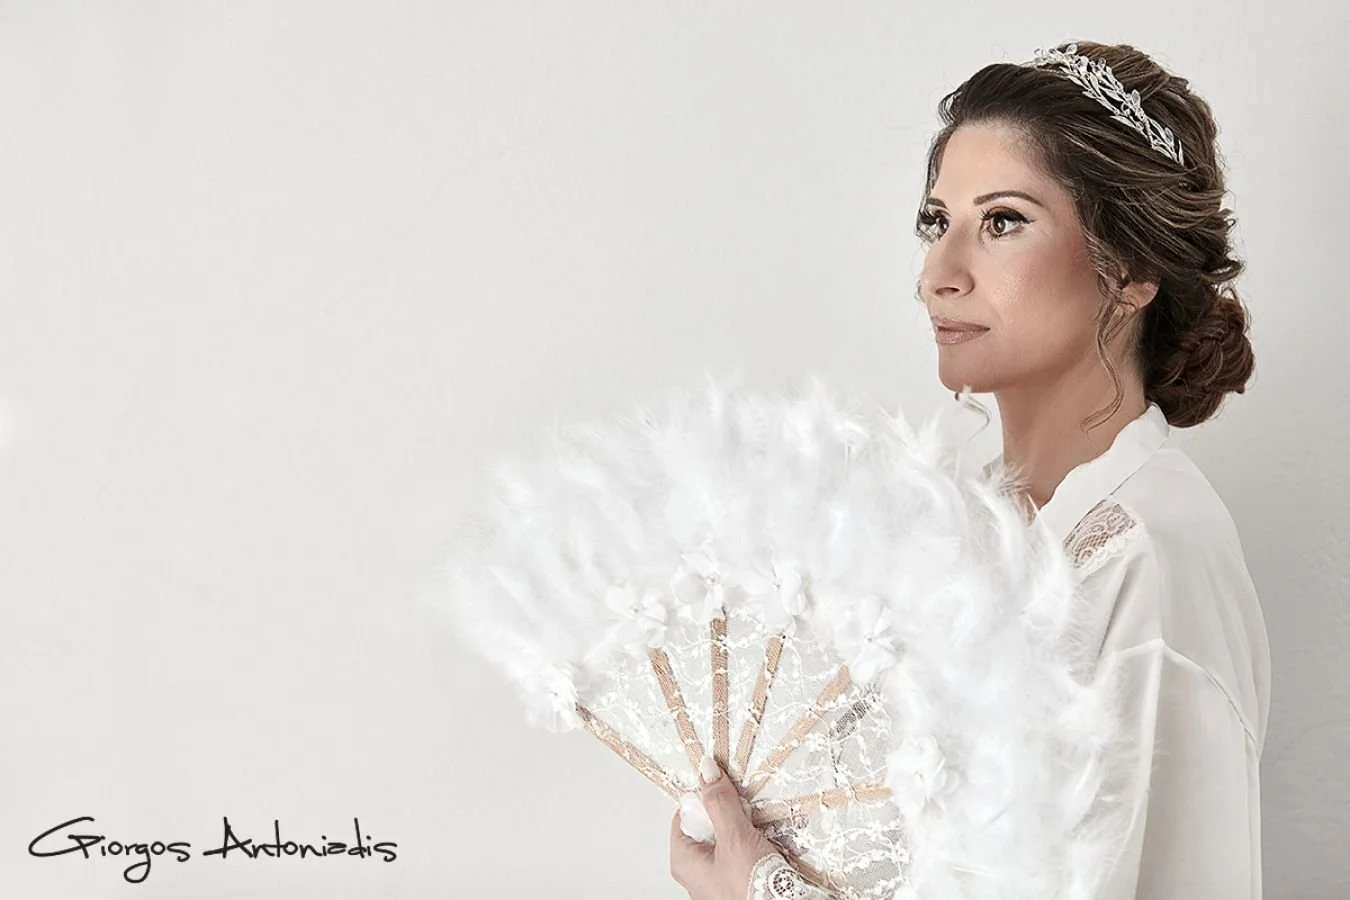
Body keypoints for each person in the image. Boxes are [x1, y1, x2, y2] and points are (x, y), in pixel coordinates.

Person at [669, 39, 1270, 899]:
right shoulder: (949, 509)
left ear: (1131, 268)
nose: (936, 274)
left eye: (1002, 222)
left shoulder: (1150, 558)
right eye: (934, 222)